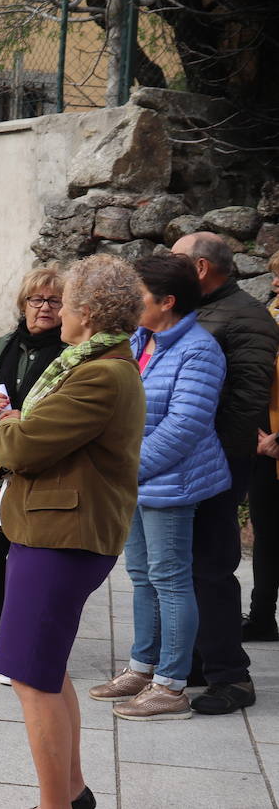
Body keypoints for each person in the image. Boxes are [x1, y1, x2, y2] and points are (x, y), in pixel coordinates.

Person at [0, 254, 146, 809]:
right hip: (52, 532)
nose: (58, 308)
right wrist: (20, 425)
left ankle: (54, 804)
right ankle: (72, 793)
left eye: (67, 299)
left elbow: (22, 445)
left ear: (84, 311)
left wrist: (8, 427)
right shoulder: (90, 365)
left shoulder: (100, 374)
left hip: (63, 538)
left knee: (30, 676)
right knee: (43, 670)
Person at [88, 253, 228, 721]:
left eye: (139, 296)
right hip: (136, 478)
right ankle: (142, 666)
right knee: (142, 575)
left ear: (167, 302)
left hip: (169, 482)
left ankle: (171, 685)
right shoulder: (138, 339)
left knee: (170, 579)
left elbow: (185, 425)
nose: (131, 303)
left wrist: (125, 468)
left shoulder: (199, 349)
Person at [171, 231, 279, 714]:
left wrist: (215, 461)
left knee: (211, 566)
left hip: (215, 463)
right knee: (181, 566)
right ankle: (193, 661)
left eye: (175, 259)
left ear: (199, 268)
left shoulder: (247, 317)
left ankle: (231, 677)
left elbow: (247, 402)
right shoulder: (197, 310)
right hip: (187, 460)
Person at [0, 266, 66, 668]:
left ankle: (25, 638)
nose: (44, 308)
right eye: (36, 300)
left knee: (30, 557)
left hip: (39, 472)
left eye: (54, 301)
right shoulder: (3, 346)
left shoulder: (70, 352)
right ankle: (7, 626)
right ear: (23, 305)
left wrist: (29, 418)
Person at [245, 250, 279, 642]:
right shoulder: (269, 319)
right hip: (264, 450)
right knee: (268, 536)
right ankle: (262, 617)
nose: (273, 285)